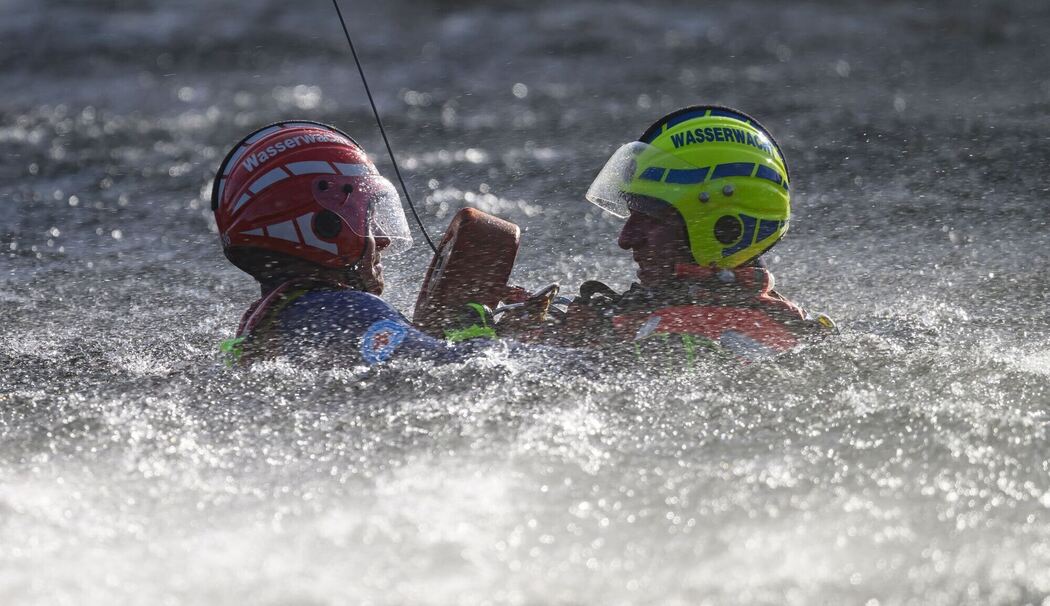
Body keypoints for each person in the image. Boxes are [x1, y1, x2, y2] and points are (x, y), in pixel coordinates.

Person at [505, 106, 834, 363]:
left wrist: (476, 334)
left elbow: (561, 379)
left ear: (724, 228)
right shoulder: (752, 313)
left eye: (650, 218)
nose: (627, 238)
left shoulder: (709, 330)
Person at [211, 120, 495, 365]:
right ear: (323, 228)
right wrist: (476, 332)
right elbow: (456, 372)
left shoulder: (279, 317)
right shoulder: (347, 310)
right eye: (366, 219)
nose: (382, 240)